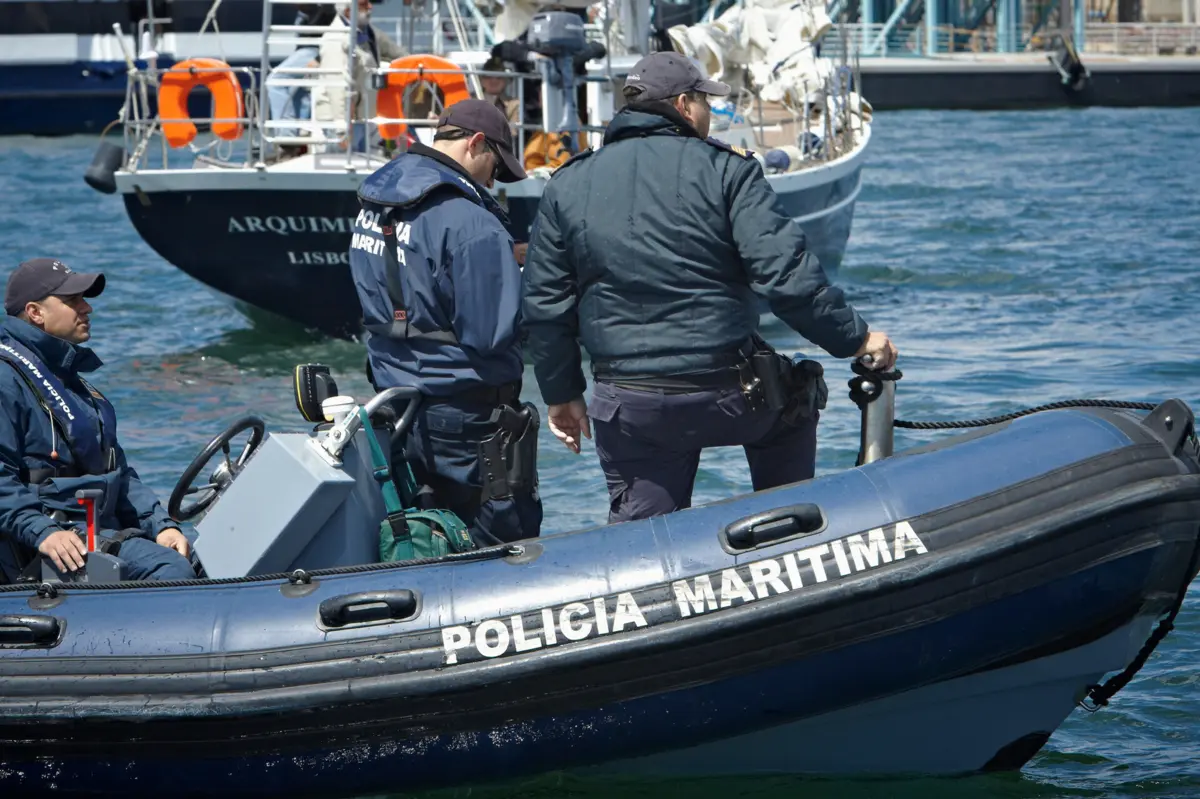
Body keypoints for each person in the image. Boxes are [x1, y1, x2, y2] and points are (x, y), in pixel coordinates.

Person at [521, 52, 899, 523]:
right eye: (706, 102)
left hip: (627, 401)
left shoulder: (567, 183)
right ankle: (785, 538)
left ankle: (648, 575)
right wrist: (857, 339)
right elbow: (786, 276)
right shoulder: (729, 170)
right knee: (795, 402)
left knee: (644, 532)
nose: (710, 113)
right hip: (728, 391)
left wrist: (561, 394)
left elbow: (545, 304)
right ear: (683, 104)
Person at [349, 99, 541, 546]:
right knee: (502, 545)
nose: (494, 181)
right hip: (468, 418)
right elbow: (491, 333)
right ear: (477, 143)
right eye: (496, 165)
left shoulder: (373, 204)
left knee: (422, 537)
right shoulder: (473, 223)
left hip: (395, 405)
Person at [0, 259, 197, 583]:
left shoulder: (77, 387)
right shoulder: (7, 380)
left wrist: (161, 524)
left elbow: (118, 473)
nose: (87, 308)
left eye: (84, 299)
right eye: (72, 300)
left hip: (99, 528)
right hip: (52, 540)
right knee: (170, 569)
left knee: (196, 557)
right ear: (35, 312)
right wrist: (42, 531)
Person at [311, 0, 407, 152]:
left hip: (359, 121)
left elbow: (396, 53)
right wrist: (342, 128)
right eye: (363, 4)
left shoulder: (367, 32)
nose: (370, 7)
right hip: (339, 123)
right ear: (348, 11)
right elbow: (337, 85)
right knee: (344, 170)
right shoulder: (336, 38)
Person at [265, 3, 336, 148]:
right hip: (308, 51)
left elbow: (334, 33)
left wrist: (319, 59)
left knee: (275, 81)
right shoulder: (308, 11)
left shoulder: (325, 9)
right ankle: (298, 138)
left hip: (315, 50)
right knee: (297, 92)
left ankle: (287, 136)